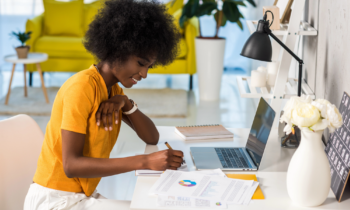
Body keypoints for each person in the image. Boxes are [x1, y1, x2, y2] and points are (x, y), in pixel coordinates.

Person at [24, 0, 182, 209]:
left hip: (79, 196)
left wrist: (126, 103)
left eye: (149, 67)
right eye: (141, 63)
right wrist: (144, 161)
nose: (144, 74)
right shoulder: (82, 87)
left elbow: (152, 137)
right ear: (118, 49)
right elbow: (71, 165)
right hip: (55, 200)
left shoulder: (113, 90)